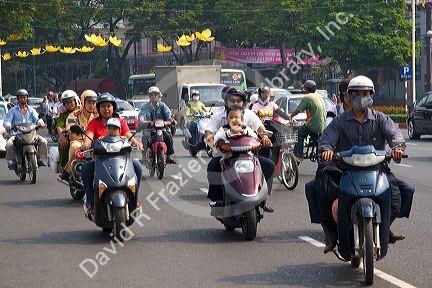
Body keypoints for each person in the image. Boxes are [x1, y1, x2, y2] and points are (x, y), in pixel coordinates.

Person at [317, 75, 414, 253]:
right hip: (346, 170)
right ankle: (331, 235)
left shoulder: (380, 119)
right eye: (357, 94)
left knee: (403, 193)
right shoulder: (339, 122)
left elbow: (395, 135)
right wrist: (326, 149)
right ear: (349, 97)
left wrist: (397, 147)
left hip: (377, 169)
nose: (361, 97)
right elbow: (327, 139)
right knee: (321, 192)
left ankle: (384, 226)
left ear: (371, 95)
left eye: (365, 93)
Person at [205, 86, 275, 212]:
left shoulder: (249, 114)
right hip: (224, 156)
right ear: (226, 102)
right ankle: (217, 199)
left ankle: (263, 199)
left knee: (269, 165)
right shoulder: (218, 117)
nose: (236, 103)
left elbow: (259, 129)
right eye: (232, 100)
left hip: (247, 154)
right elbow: (209, 133)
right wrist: (213, 144)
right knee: (212, 166)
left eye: (239, 101)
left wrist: (264, 138)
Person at [80, 93, 143, 213]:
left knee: (138, 167)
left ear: (113, 107)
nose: (106, 109)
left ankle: (134, 200)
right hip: (100, 160)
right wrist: (85, 144)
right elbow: (89, 136)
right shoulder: (94, 123)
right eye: (103, 106)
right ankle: (91, 202)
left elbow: (129, 136)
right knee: (86, 169)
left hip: (122, 159)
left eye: (109, 105)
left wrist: (137, 143)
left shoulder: (120, 121)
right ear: (98, 108)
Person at [57, 90, 98, 184]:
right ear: (83, 101)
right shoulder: (75, 114)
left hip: (95, 141)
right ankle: (69, 173)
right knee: (75, 147)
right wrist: (70, 128)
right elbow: (68, 126)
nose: (92, 105)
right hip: (79, 140)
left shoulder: (98, 114)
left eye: (94, 102)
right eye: (89, 102)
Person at [3, 89, 47, 169]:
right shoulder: (13, 111)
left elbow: (38, 119)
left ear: (27, 98)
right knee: (9, 144)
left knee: (44, 141)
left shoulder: (31, 110)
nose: (23, 99)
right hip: (17, 134)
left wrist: (41, 123)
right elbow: (7, 121)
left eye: (24, 97)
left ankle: (39, 159)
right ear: (18, 99)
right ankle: (12, 161)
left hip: (31, 134)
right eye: (21, 97)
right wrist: (8, 125)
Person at [290, 80, 327, 163]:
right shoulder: (319, 95)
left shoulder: (307, 97)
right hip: (323, 126)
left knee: (299, 135)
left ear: (306, 88)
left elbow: (297, 111)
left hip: (313, 126)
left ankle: (298, 156)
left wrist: (291, 116)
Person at [139, 86, 177, 164]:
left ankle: (168, 157)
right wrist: (143, 121)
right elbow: (141, 115)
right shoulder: (145, 107)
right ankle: (143, 157)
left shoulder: (162, 105)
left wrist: (170, 120)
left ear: (158, 95)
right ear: (149, 96)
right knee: (145, 138)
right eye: (151, 94)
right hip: (149, 128)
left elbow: (168, 114)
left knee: (168, 136)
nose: (153, 96)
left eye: (155, 94)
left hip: (161, 128)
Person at [251, 86, 291, 160]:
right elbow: (253, 118)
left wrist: (289, 119)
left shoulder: (272, 104)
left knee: (279, 142)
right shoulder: (255, 106)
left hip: (272, 127)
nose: (266, 95)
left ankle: (276, 162)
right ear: (260, 94)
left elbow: (280, 113)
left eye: (267, 93)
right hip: (261, 129)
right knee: (264, 148)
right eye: (264, 93)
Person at [56, 90, 81, 170]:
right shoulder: (63, 115)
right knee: (63, 144)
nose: (69, 105)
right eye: (66, 103)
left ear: (76, 100)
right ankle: (65, 168)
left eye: (71, 102)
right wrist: (63, 136)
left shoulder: (83, 111)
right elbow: (59, 127)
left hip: (85, 136)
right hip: (69, 136)